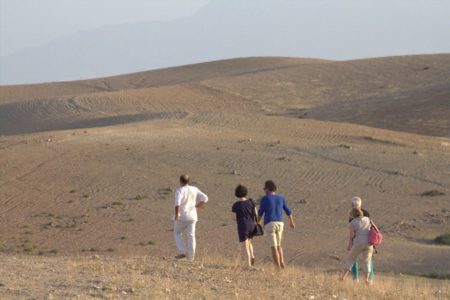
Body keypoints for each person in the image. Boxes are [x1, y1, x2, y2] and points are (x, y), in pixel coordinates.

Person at [257, 180, 295, 269]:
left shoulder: (265, 199)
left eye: (264, 189)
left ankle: (277, 268)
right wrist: (291, 222)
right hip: (280, 223)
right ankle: (282, 261)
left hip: (270, 224)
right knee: (279, 245)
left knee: (273, 247)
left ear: (267, 189)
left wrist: (257, 223)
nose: (264, 191)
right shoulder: (281, 198)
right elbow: (288, 211)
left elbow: (260, 213)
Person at [173, 174, 208, 260]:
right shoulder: (194, 189)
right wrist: (198, 206)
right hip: (193, 216)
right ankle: (191, 257)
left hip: (183, 216)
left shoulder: (179, 190)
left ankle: (182, 251)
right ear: (188, 181)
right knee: (191, 236)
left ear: (180, 181)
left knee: (177, 232)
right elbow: (205, 198)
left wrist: (177, 215)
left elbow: (177, 203)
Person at [341, 207, 374, 285]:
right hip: (369, 242)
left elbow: (351, 236)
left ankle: (343, 277)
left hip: (358, 242)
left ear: (353, 214)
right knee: (367, 261)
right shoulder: (368, 219)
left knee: (351, 259)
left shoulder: (352, 222)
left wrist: (349, 245)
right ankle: (366, 280)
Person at [349, 196, 374, 282]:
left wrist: (350, 242)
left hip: (357, 240)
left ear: (353, 205)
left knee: (353, 258)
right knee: (368, 259)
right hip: (368, 240)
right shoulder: (367, 213)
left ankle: (355, 278)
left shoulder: (351, 215)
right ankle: (369, 279)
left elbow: (352, 230)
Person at [232, 184, 257, 267]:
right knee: (250, 241)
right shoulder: (251, 202)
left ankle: (248, 263)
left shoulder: (236, 205)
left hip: (243, 225)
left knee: (245, 244)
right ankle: (252, 255)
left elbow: (234, 218)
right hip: (252, 224)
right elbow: (255, 213)